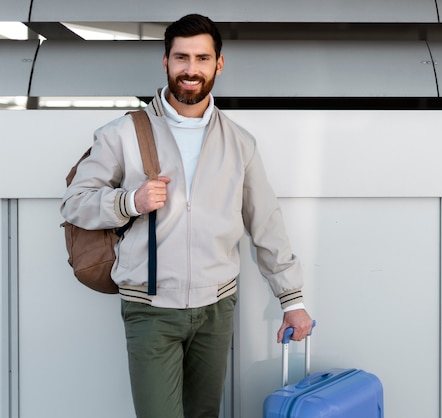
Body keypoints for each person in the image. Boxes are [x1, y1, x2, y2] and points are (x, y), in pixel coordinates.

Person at [60, 13, 313, 418]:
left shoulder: (239, 142)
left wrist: (292, 299)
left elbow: (265, 221)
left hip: (216, 309)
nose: (190, 70)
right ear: (165, 62)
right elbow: (75, 203)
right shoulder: (123, 133)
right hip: (150, 308)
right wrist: (129, 202)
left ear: (218, 64)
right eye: (181, 58)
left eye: (201, 58)